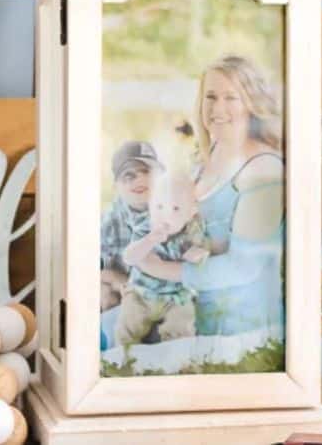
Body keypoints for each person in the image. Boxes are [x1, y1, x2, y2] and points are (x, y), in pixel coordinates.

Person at [129, 55, 286, 337]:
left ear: (251, 103)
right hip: (184, 311)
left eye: (231, 97)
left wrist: (158, 268)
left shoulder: (264, 168)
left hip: (238, 329)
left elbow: (243, 268)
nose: (217, 108)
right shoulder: (205, 157)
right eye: (210, 97)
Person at [116, 172, 210, 346]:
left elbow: (194, 252)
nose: (165, 214)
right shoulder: (145, 228)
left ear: (190, 213)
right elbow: (129, 257)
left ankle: (175, 354)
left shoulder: (191, 231)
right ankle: (125, 356)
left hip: (175, 298)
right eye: (159, 206)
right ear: (150, 206)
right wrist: (149, 240)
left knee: (183, 322)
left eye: (175, 209)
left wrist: (197, 255)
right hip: (141, 293)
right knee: (129, 322)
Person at [100, 141, 163, 312]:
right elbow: (89, 270)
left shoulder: (173, 211)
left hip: (165, 293)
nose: (140, 180)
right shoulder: (108, 222)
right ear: (116, 186)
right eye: (129, 176)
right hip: (125, 292)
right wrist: (117, 281)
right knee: (104, 293)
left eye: (146, 172)